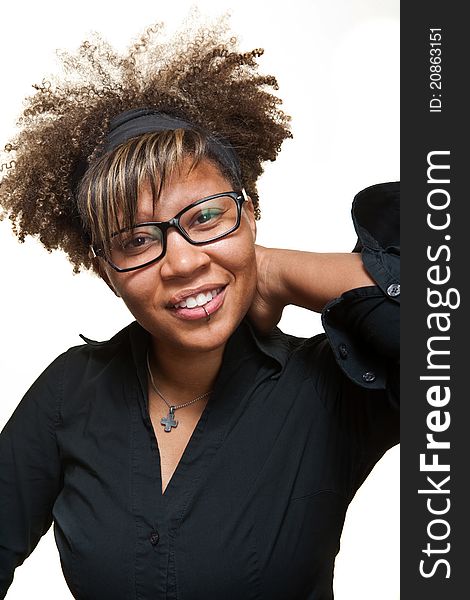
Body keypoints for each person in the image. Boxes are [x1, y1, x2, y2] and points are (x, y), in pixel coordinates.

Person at [0, 19, 399, 600]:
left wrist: (276, 270)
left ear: (250, 211)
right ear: (106, 271)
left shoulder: (327, 389)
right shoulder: (69, 393)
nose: (183, 262)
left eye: (207, 217)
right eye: (136, 240)